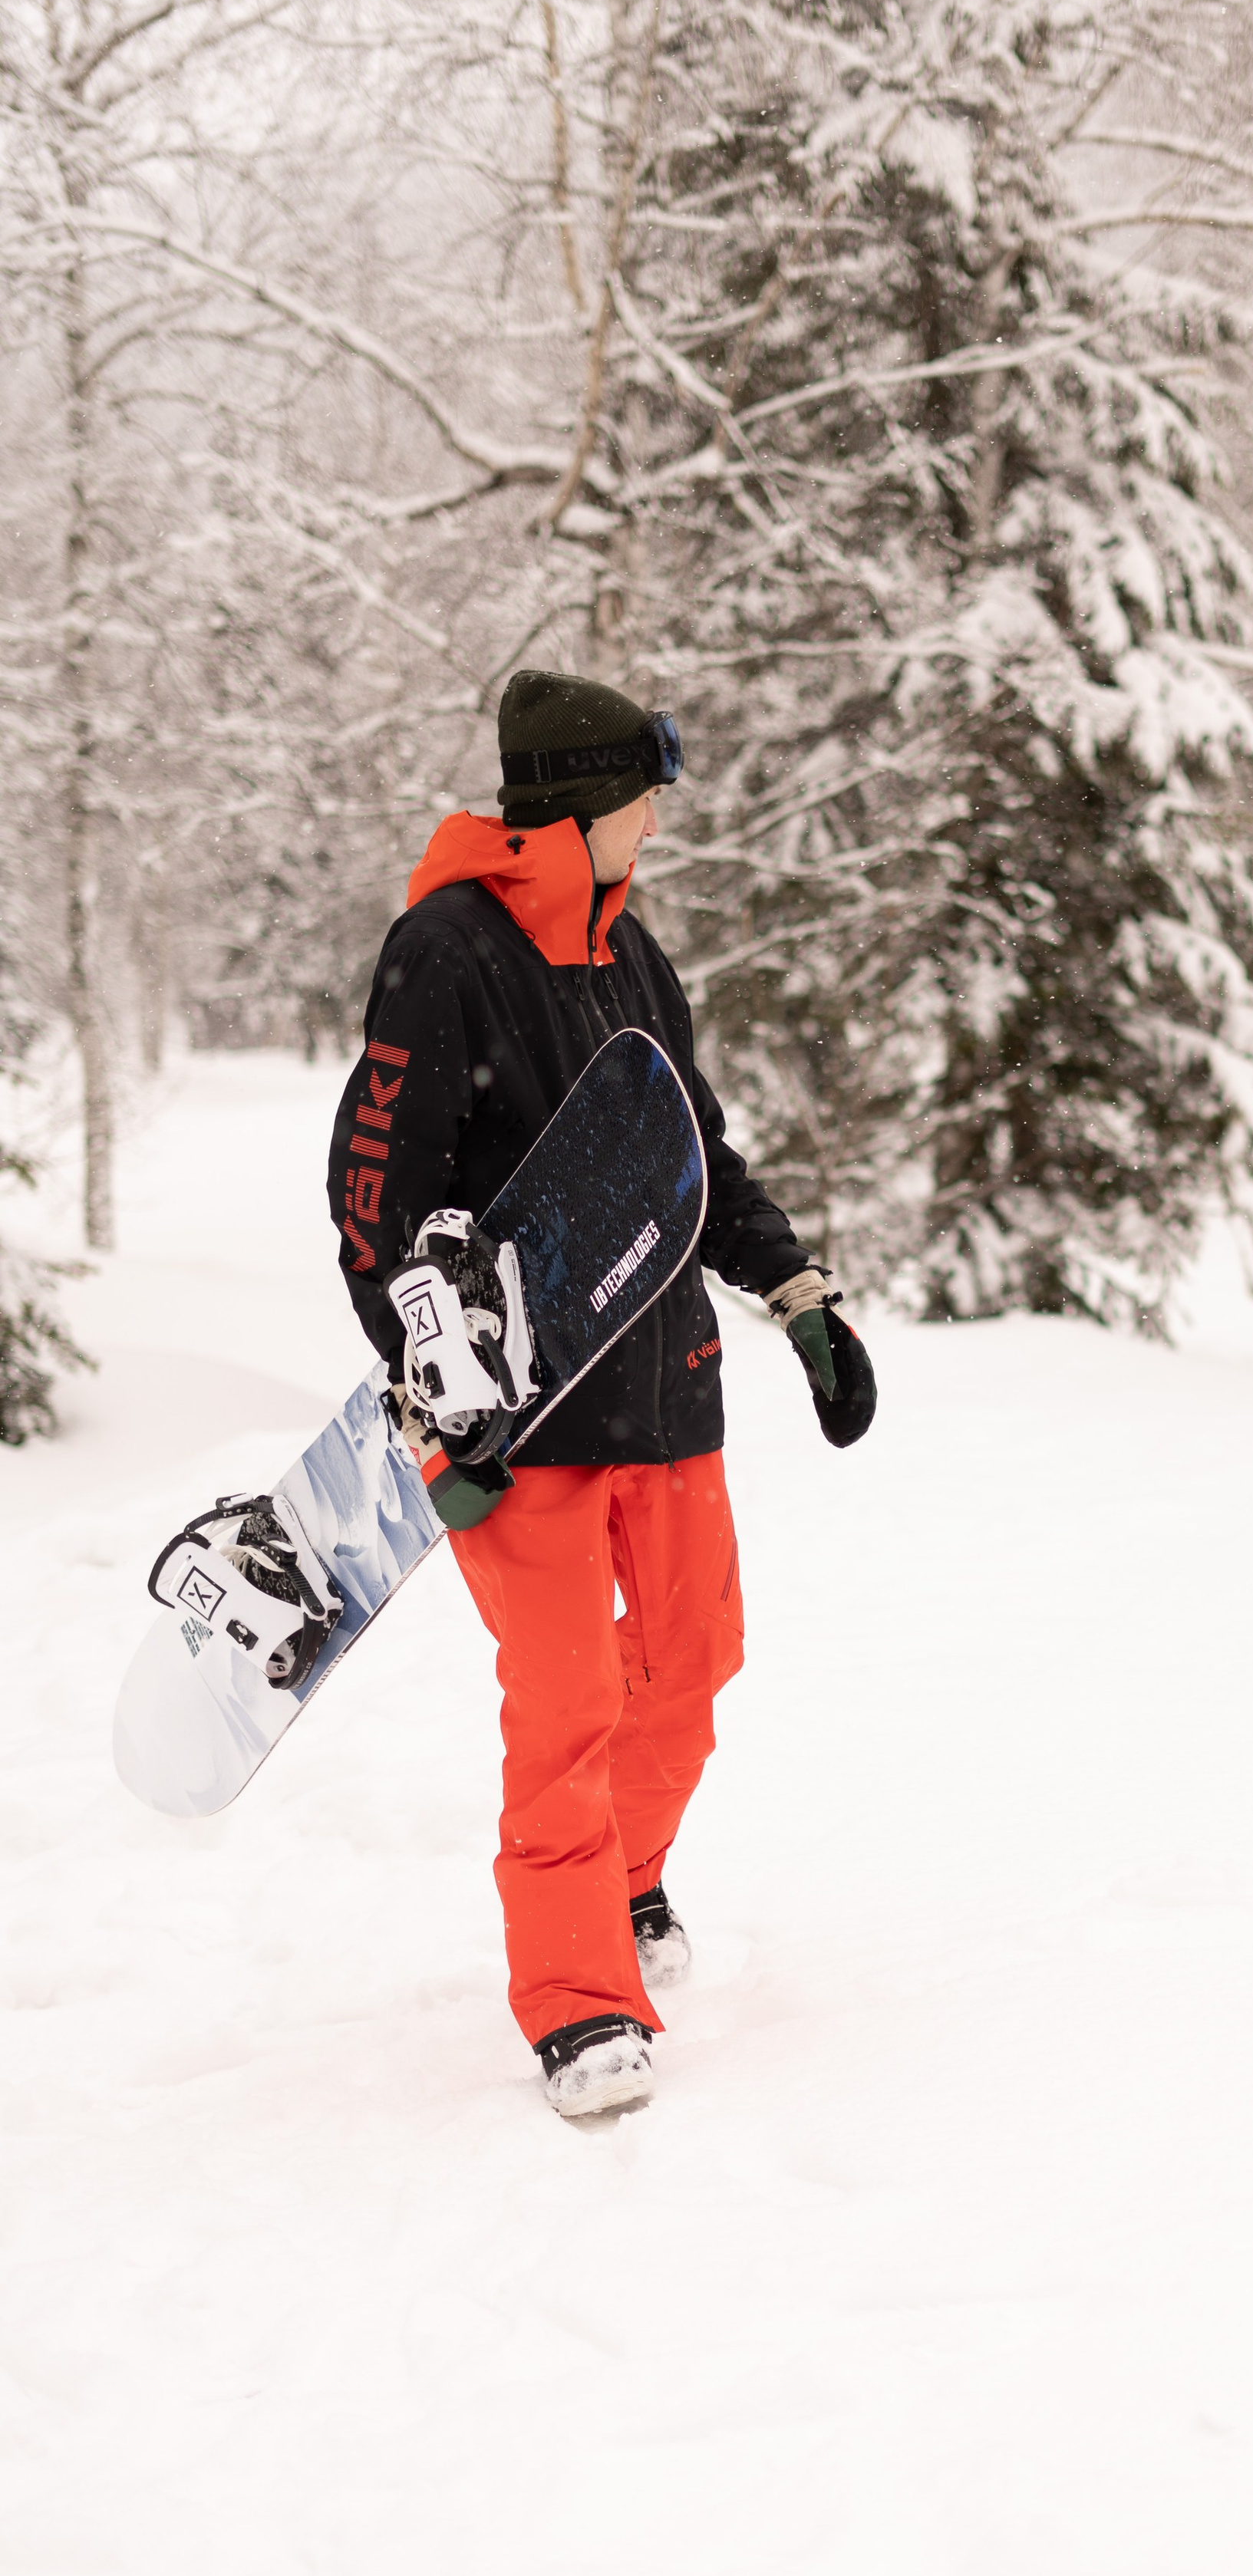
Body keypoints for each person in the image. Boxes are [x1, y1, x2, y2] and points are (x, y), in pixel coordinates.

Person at [326, 669, 875, 2119]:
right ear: (587, 804)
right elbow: (376, 1188)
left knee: (691, 1668)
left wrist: (798, 1292)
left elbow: (695, 1147)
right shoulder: (445, 954)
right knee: (566, 1704)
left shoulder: (637, 957)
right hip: (519, 1413)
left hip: (667, 1378)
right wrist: (424, 1357)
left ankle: (625, 1886)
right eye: (648, 789)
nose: (661, 815)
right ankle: (577, 2005)